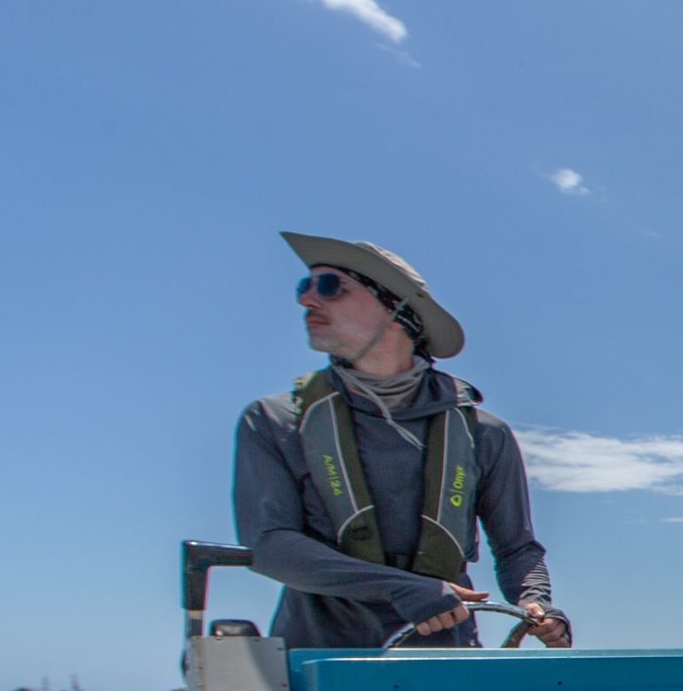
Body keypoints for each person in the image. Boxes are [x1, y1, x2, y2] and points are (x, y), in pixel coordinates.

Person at [231, 231, 569, 651]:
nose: (306, 300)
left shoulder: (485, 433)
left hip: (448, 667)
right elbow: (268, 545)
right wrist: (401, 588)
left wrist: (537, 604)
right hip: (318, 669)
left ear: (398, 309)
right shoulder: (273, 421)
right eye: (305, 286)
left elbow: (518, 548)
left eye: (331, 287)